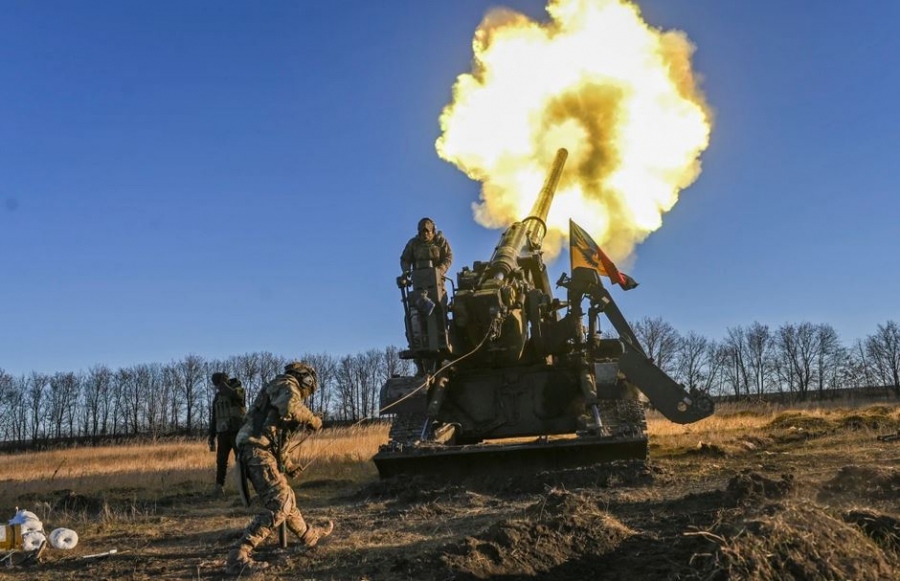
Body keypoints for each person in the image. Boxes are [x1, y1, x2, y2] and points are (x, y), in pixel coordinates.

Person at [226, 361, 334, 575]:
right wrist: (313, 420)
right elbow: (291, 408)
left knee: (287, 499)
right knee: (280, 502)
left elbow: (278, 440)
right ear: (306, 379)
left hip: (260, 449)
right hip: (255, 449)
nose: (306, 395)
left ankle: (309, 536)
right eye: (309, 389)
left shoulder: (281, 391)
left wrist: (289, 464)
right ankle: (238, 556)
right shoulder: (286, 384)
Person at [208, 372, 246, 496]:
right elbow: (214, 418)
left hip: (237, 432)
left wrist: (224, 386)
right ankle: (219, 487)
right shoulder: (218, 398)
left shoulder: (238, 390)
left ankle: (245, 488)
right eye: (216, 385)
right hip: (223, 433)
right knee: (221, 462)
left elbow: (237, 396)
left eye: (219, 383)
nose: (218, 387)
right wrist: (212, 436)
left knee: (241, 461)